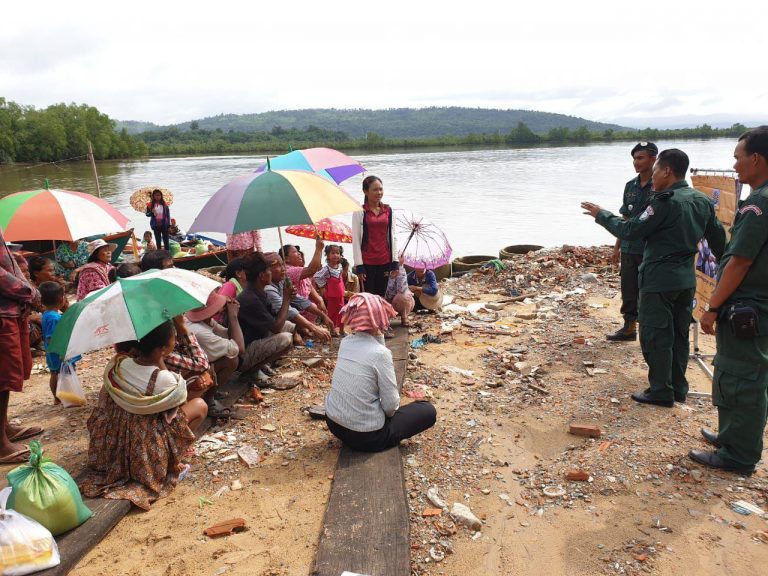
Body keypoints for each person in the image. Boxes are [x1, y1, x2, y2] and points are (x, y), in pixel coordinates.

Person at [581, 148, 726, 407]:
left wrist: (601, 215)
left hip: (659, 280)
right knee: (679, 334)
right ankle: (678, 387)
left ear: (667, 171)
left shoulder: (664, 202)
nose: (654, 176)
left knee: (655, 335)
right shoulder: (701, 201)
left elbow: (630, 229)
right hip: (686, 280)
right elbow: (720, 243)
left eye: (656, 170)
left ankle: (660, 391)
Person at [695, 126, 768, 474]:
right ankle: (732, 436)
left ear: (756, 159)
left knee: (741, 378)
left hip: (748, 307)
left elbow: (739, 263)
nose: (734, 165)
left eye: (738, 157)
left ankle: (738, 455)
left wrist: (712, 308)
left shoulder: (758, 204)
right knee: (746, 375)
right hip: (757, 304)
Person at [80, 321, 207, 510]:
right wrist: (161, 361)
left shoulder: (120, 364)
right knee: (200, 406)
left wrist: (159, 357)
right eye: (173, 338)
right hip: (144, 445)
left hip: (114, 441)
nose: (175, 340)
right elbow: (178, 404)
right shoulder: (164, 379)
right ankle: (173, 459)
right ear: (163, 348)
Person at [325, 293, 436, 452]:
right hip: (367, 437)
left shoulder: (346, 342)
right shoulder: (381, 354)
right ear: (379, 317)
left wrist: (377, 333)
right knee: (427, 410)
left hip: (334, 424)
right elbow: (391, 406)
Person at [607, 142, 658, 341]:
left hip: (650, 248)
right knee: (628, 289)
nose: (636, 162)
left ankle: (650, 331)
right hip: (629, 247)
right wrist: (617, 247)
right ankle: (629, 328)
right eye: (634, 158)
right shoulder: (630, 186)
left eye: (640, 158)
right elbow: (625, 220)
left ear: (653, 159)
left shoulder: (661, 185)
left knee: (649, 290)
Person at [0, 230, 43, 463]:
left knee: (9, 374)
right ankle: (0, 443)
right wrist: (27, 292)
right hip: (3, 309)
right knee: (2, 377)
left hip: (11, 307)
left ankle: (4, 427)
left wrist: (26, 293)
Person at [237, 252, 296, 380]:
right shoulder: (250, 298)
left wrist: (288, 297)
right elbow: (276, 328)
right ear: (262, 276)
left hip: (256, 338)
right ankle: (251, 371)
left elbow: (274, 318)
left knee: (290, 326)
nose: (271, 273)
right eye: (268, 270)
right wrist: (286, 299)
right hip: (243, 352)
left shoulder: (259, 292)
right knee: (286, 339)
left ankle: (261, 365)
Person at [185, 290, 245, 402]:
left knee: (230, 355)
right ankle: (208, 399)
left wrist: (231, 316)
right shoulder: (199, 331)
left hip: (196, 367)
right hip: (189, 376)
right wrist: (233, 317)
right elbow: (239, 348)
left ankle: (209, 393)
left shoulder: (206, 321)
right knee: (231, 360)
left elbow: (228, 335)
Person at [264, 252, 332, 343]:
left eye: (282, 265)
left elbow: (300, 301)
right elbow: (288, 311)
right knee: (287, 337)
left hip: (280, 323)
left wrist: (323, 316)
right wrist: (315, 328)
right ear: (266, 271)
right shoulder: (268, 289)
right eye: (278, 266)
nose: (283, 269)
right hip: (267, 331)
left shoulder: (281, 282)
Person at [351, 176, 399, 298]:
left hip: (385, 260)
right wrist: (359, 265)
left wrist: (395, 261)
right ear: (365, 191)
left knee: (381, 296)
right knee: (368, 297)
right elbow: (356, 240)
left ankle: (380, 312)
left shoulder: (388, 211)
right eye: (375, 190)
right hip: (367, 262)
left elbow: (393, 236)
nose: (379, 193)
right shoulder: (359, 212)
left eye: (381, 189)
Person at [40, 281, 80, 404]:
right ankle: (62, 397)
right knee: (61, 373)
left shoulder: (47, 315)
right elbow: (52, 336)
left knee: (55, 373)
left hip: (52, 351)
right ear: (61, 299)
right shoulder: (54, 317)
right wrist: (61, 351)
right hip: (58, 351)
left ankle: (58, 397)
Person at [280, 237, 326, 316]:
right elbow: (311, 270)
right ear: (286, 258)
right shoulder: (288, 270)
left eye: (298, 251)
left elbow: (309, 286)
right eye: (295, 252)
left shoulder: (298, 270)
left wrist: (320, 299)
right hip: (296, 317)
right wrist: (318, 249)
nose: (299, 253)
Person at [314, 244, 346, 331]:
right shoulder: (326, 268)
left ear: (340, 255)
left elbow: (341, 278)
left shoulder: (340, 266)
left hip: (340, 294)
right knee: (332, 313)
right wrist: (323, 286)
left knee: (342, 312)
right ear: (327, 255)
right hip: (331, 295)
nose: (335, 255)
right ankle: (332, 330)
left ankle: (342, 330)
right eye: (333, 253)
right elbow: (317, 277)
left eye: (337, 253)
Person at [385, 256, 414, 327]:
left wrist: (400, 267)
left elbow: (402, 289)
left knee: (403, 296)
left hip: (399, 302)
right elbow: (388, 295)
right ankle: (383, 320)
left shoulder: (400, 269)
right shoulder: (383, 270)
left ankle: (404, 317)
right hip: (387, 301)